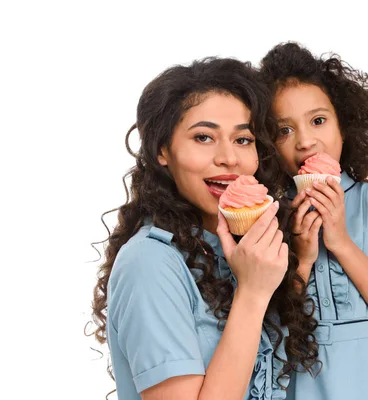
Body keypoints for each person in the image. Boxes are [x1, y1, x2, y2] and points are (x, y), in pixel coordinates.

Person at [90, 57, 319, 400]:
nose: (229, 158)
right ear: (163, 150)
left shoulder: (234, 250)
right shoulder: (149, 264)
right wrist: (253, 294)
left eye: (243, 140)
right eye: (203, 137)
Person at [259, 42, 368, 399]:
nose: (306, 141)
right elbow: (266, 330)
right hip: (296, 380)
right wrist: (303, 259)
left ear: (344, 126)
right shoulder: (266, 216)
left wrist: (340, 242)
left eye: (318, 120)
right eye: (284, 130)